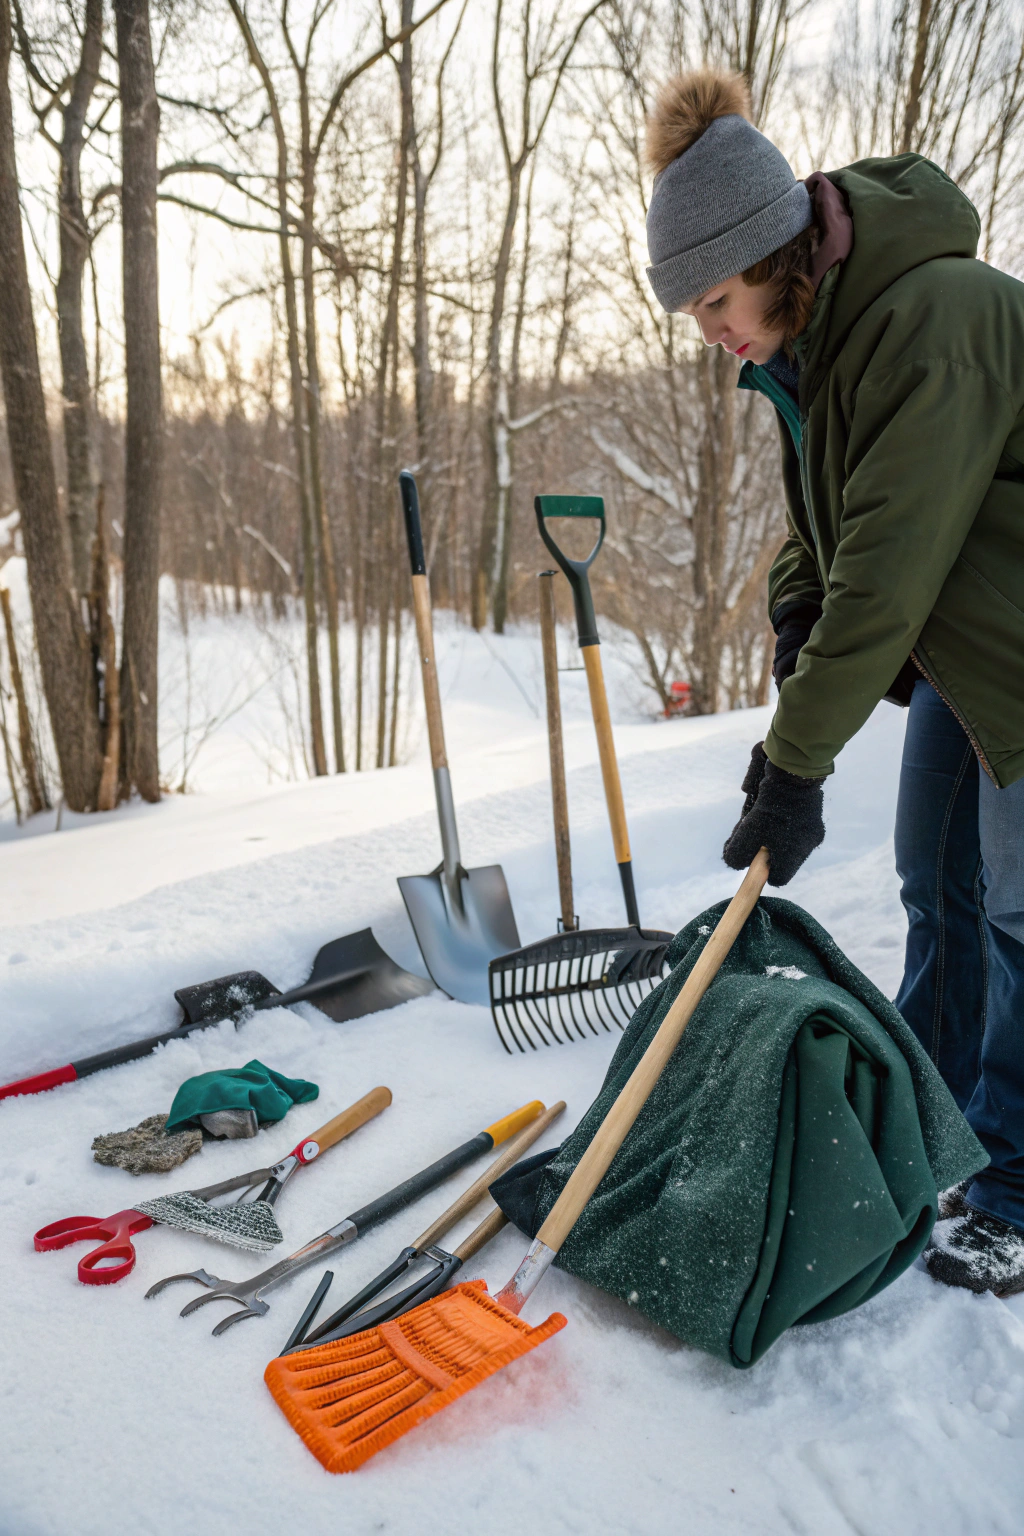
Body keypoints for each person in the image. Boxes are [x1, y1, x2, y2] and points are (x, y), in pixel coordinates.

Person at [643, 67, 1024, 1298]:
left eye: (714, 300)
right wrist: (792, 602)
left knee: (1016, 915)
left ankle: (1015, 1190)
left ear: (771, 252)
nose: (710, 330)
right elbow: (827, 526)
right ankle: (932, 1133)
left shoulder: (937, 319)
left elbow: (888, 573)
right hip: (969, 650)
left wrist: (792, 763)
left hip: (1009, 650)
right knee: (938, 892)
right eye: (693, 312)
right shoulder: (811, 343)